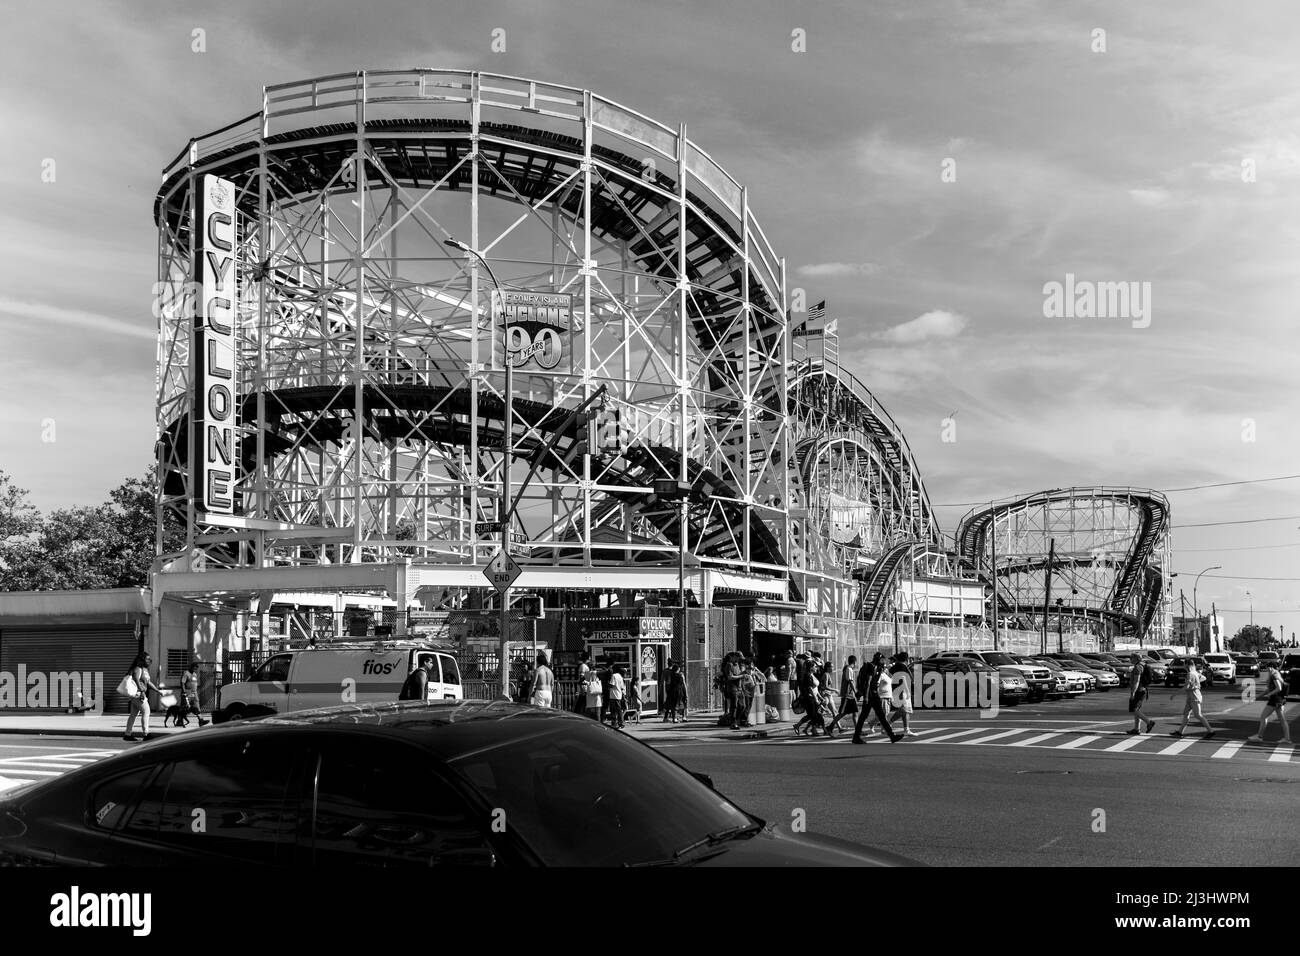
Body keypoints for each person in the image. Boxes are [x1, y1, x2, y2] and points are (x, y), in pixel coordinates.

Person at [853, 653, 900, 744]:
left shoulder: (877, 668)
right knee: (864, 716)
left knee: (881, 716)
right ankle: (856, 737)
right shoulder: (872, 667)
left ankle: (892, 736)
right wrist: (866, 696)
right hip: (871, 695)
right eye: (882, 660)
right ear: (878, 659)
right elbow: (868, 682)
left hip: (874, 694)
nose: (883, 662)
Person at [1247, 659, 1292, 744]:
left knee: (1264, 716)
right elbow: (1269, 689)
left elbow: (1279, 688)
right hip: (1279, 699)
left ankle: (1259, 736)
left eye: (1267, 668)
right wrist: (1258, 696)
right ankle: (1287, 739)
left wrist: (1269, 694)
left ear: (1271, 667)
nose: (1267, 670)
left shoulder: (1274, 675)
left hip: (1275, 700)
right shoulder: (1277, 674)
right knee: (1282, 720)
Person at [123, 653, 163, 742]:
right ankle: (146, 734)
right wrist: (141, 690)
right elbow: (135, 678)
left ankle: (127, 734)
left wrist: (157, 691)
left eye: (150, 659)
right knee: (146, 711)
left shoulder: (145, 670)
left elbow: (148, 682)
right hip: (138, 694)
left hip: (137, 695)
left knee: (133, 715)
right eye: (147, 659)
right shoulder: (138, 668)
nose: (149, 661)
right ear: (142, 660)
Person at [1171, 659, 1215, 739]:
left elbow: (1186, 686)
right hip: (1190, 697)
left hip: (1194, 697)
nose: (1183, 666)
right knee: (1186, 714)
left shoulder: (1190, 674)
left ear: (1188, 665)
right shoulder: (1195, 672)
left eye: (1184, 664)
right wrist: (1196, 683)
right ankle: (1180, 732)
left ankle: (1210, 731)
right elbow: (1203, 678)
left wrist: (1175, 694)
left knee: (1198, 715)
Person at [792, 657, 825, 736]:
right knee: (813, 715)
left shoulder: (812, 675)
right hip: (809, 698)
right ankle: (813, 729)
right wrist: (816, 699)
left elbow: (815, 689)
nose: (816, 668)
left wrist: (820, 698)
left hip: (813, 698)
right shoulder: (807, 676)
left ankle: (799, 726)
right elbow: (810, 688)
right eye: (815, 667)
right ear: (810, 668)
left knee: (813, 715)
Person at [827, 655, 858, 734]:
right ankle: (830, 726)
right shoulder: (848, 669)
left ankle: (858, 730)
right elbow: (850, 681)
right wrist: (856, 692)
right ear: (855, 662)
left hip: (851, 695)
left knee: (855, 712)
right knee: (842, 713)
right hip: (847, 695)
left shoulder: (848, 669)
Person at [1126, 654, 1156, 735]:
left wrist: (1133, 692)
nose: (1130, 659)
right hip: (1143, 690)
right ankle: (1136, 729)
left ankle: (1149, 722)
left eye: (1131, 658)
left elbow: (1137, 681)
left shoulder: (1137, 667)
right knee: (1136, 710)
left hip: (1138, 691)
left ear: (1136, 658)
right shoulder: (1143, 665)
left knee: (1134, 709)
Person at [889, 652, 917, 737]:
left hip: (896, 690)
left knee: (905, 710)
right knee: (905, 710)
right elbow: (902, 679)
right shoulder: (902, 666)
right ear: (906, 659)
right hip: (902, 690)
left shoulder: (896, 666)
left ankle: (906, 729)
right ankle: (888, 724)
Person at [181, 659, 209, 727]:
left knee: (197, 706)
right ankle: (179, 721)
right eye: (194, 668)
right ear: (191, 667)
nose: (195, 670)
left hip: (194, 692)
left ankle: (201, 720)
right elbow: (182, 683)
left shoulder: (195, 674)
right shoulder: (186, 673)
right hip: (188, 692)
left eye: (196, 669)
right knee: (185, 707)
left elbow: (194, 683)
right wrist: (184, 692)